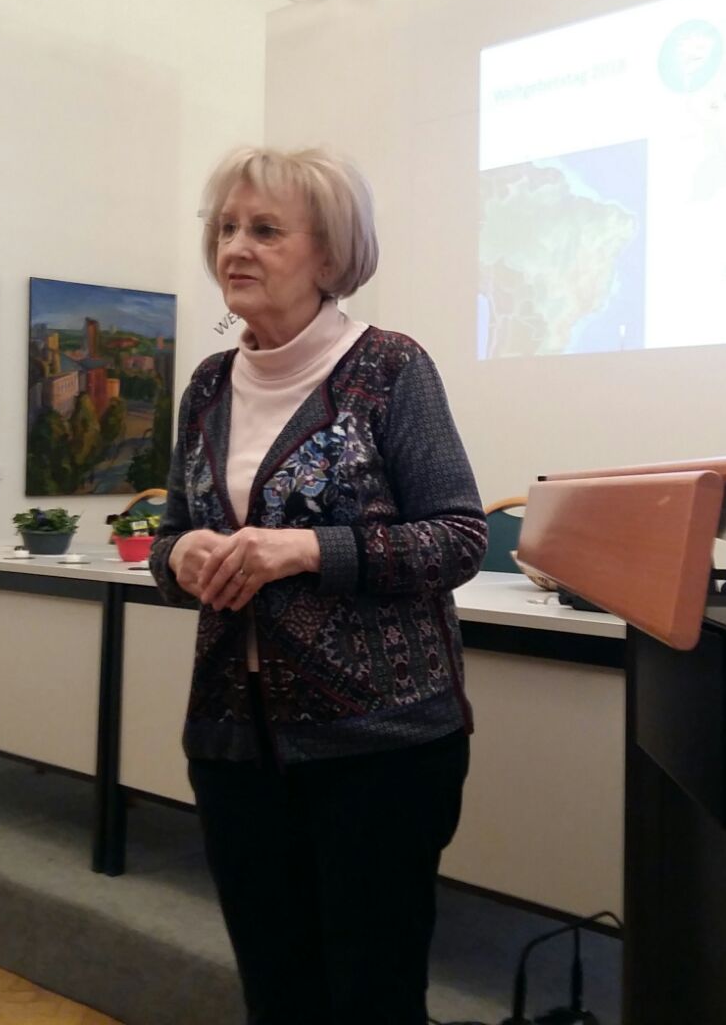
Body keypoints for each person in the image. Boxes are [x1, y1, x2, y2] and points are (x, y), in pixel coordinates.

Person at [149, 145, 487, 1025]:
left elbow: (459, 538)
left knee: (373, 1000)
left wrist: (306, 550)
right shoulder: (208, 387)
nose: (235, 247)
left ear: (330, 256)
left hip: (380, 749)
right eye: (227, 227)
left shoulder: (391, 369)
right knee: (277, 994)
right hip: (235, 744)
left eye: (265, 230)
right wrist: (179, 558)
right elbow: (171, 534)